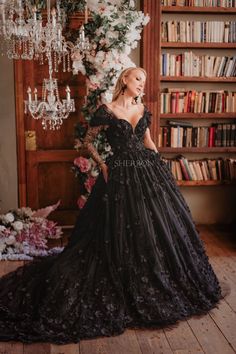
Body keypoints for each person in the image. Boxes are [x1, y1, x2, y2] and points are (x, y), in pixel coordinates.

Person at [0, 67, 224, 344]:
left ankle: (154, 277)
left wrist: (161, 166)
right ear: (125, 80)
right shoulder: (106, 110)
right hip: (120, 173)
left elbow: (148, 141)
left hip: (148, 170)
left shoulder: (143, 108)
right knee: (118, 227)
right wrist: (103, 164)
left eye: (144, 79)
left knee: (156, 225)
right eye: (138, 79)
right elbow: (88, 141)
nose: (143, 84)